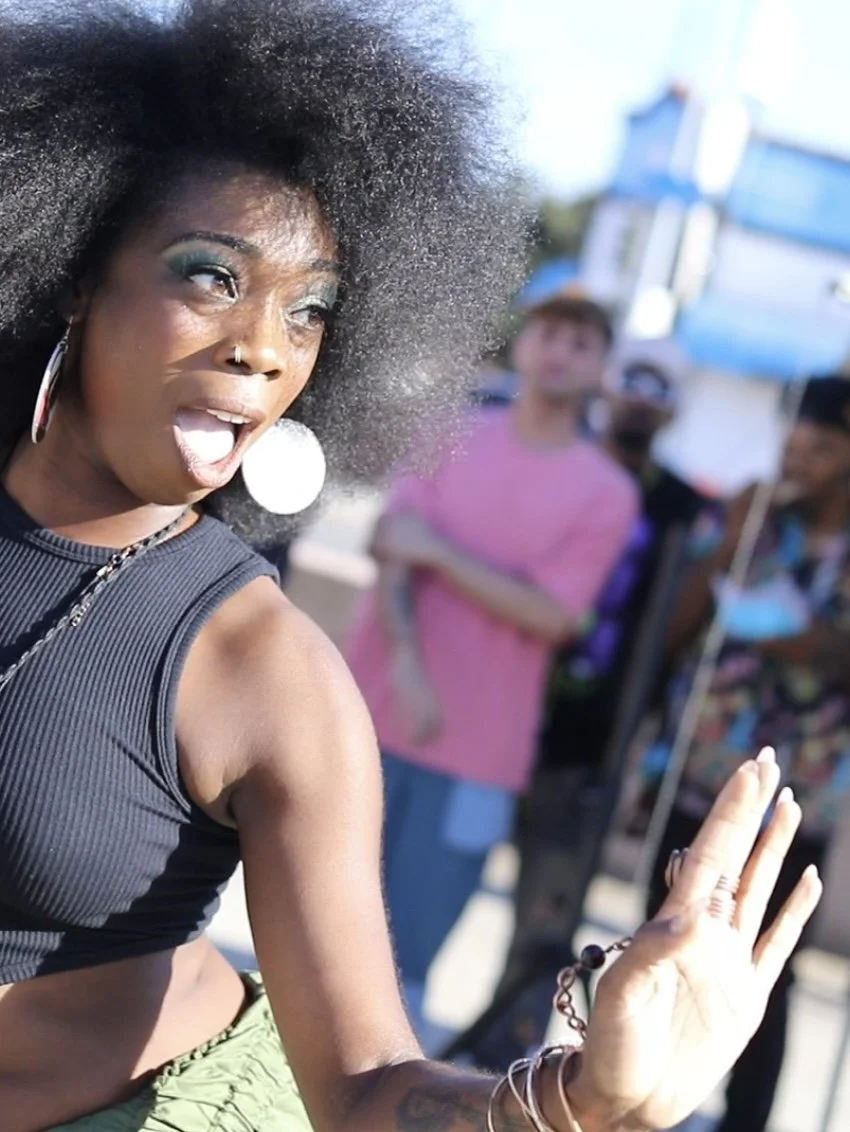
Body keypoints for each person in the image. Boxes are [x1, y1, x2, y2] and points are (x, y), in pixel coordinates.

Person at [0, 3, 823, 1129]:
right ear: (67, 270)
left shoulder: (265, 672)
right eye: (210, 276)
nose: (266, 349)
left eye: (310, 308)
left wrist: (580, 1101)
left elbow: (369, 1089)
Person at [345, 293, 639, 1031]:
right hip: (365, 719)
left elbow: (554, 614)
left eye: (581, 342)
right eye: (549, 332)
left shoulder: (607, 492)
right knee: (317, 932)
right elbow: (390, 543)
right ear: (523, 342)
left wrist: (441, 551)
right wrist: (407, 661)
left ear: (601, 368)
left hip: (479, 754)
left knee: (403, 967)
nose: (560, 351)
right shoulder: (447, 430)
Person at [470, 338, 707, 1064]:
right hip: (494, 719)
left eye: (658, 387)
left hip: (591, 746)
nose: (641, 397)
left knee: (548, 916)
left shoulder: (680, 508)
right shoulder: (560, 465)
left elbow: (678, 633)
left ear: (674, 408)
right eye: (632, 380)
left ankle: (505, 1061)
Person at [645, 373, 850, 1132]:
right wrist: (730, 541)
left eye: (822, 448)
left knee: (765, 967)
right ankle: (639, 1097)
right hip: (705, 773)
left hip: (799, 798)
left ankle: (745, 1121)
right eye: (794, 443)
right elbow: (675, 631)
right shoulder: (758, 518)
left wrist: (808, 642)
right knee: (663, 937)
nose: (801, 460)